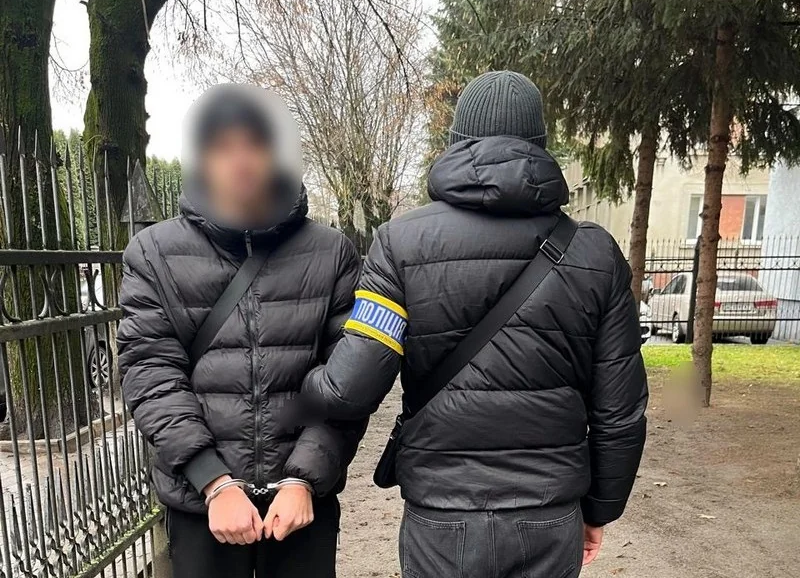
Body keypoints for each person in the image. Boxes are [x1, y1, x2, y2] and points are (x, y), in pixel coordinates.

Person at [302, 71, 648, 578]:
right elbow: (621, 410)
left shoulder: (400, 244)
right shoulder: (595, 252)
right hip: (550, 514)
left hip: (442, 516)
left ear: (457, 142)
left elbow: (348, 389)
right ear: (540, 144)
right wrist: (600, 510)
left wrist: (301, 376)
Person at [118, 84, 365, 578]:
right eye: (223, 148)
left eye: (255, 144)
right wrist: (214, 482)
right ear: (202, 159)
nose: (242, 162)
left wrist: (303, 478)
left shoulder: (331, 252)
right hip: (203, 505)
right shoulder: (152, 253)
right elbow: (151, 372)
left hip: (300, 508)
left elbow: (348, 378)